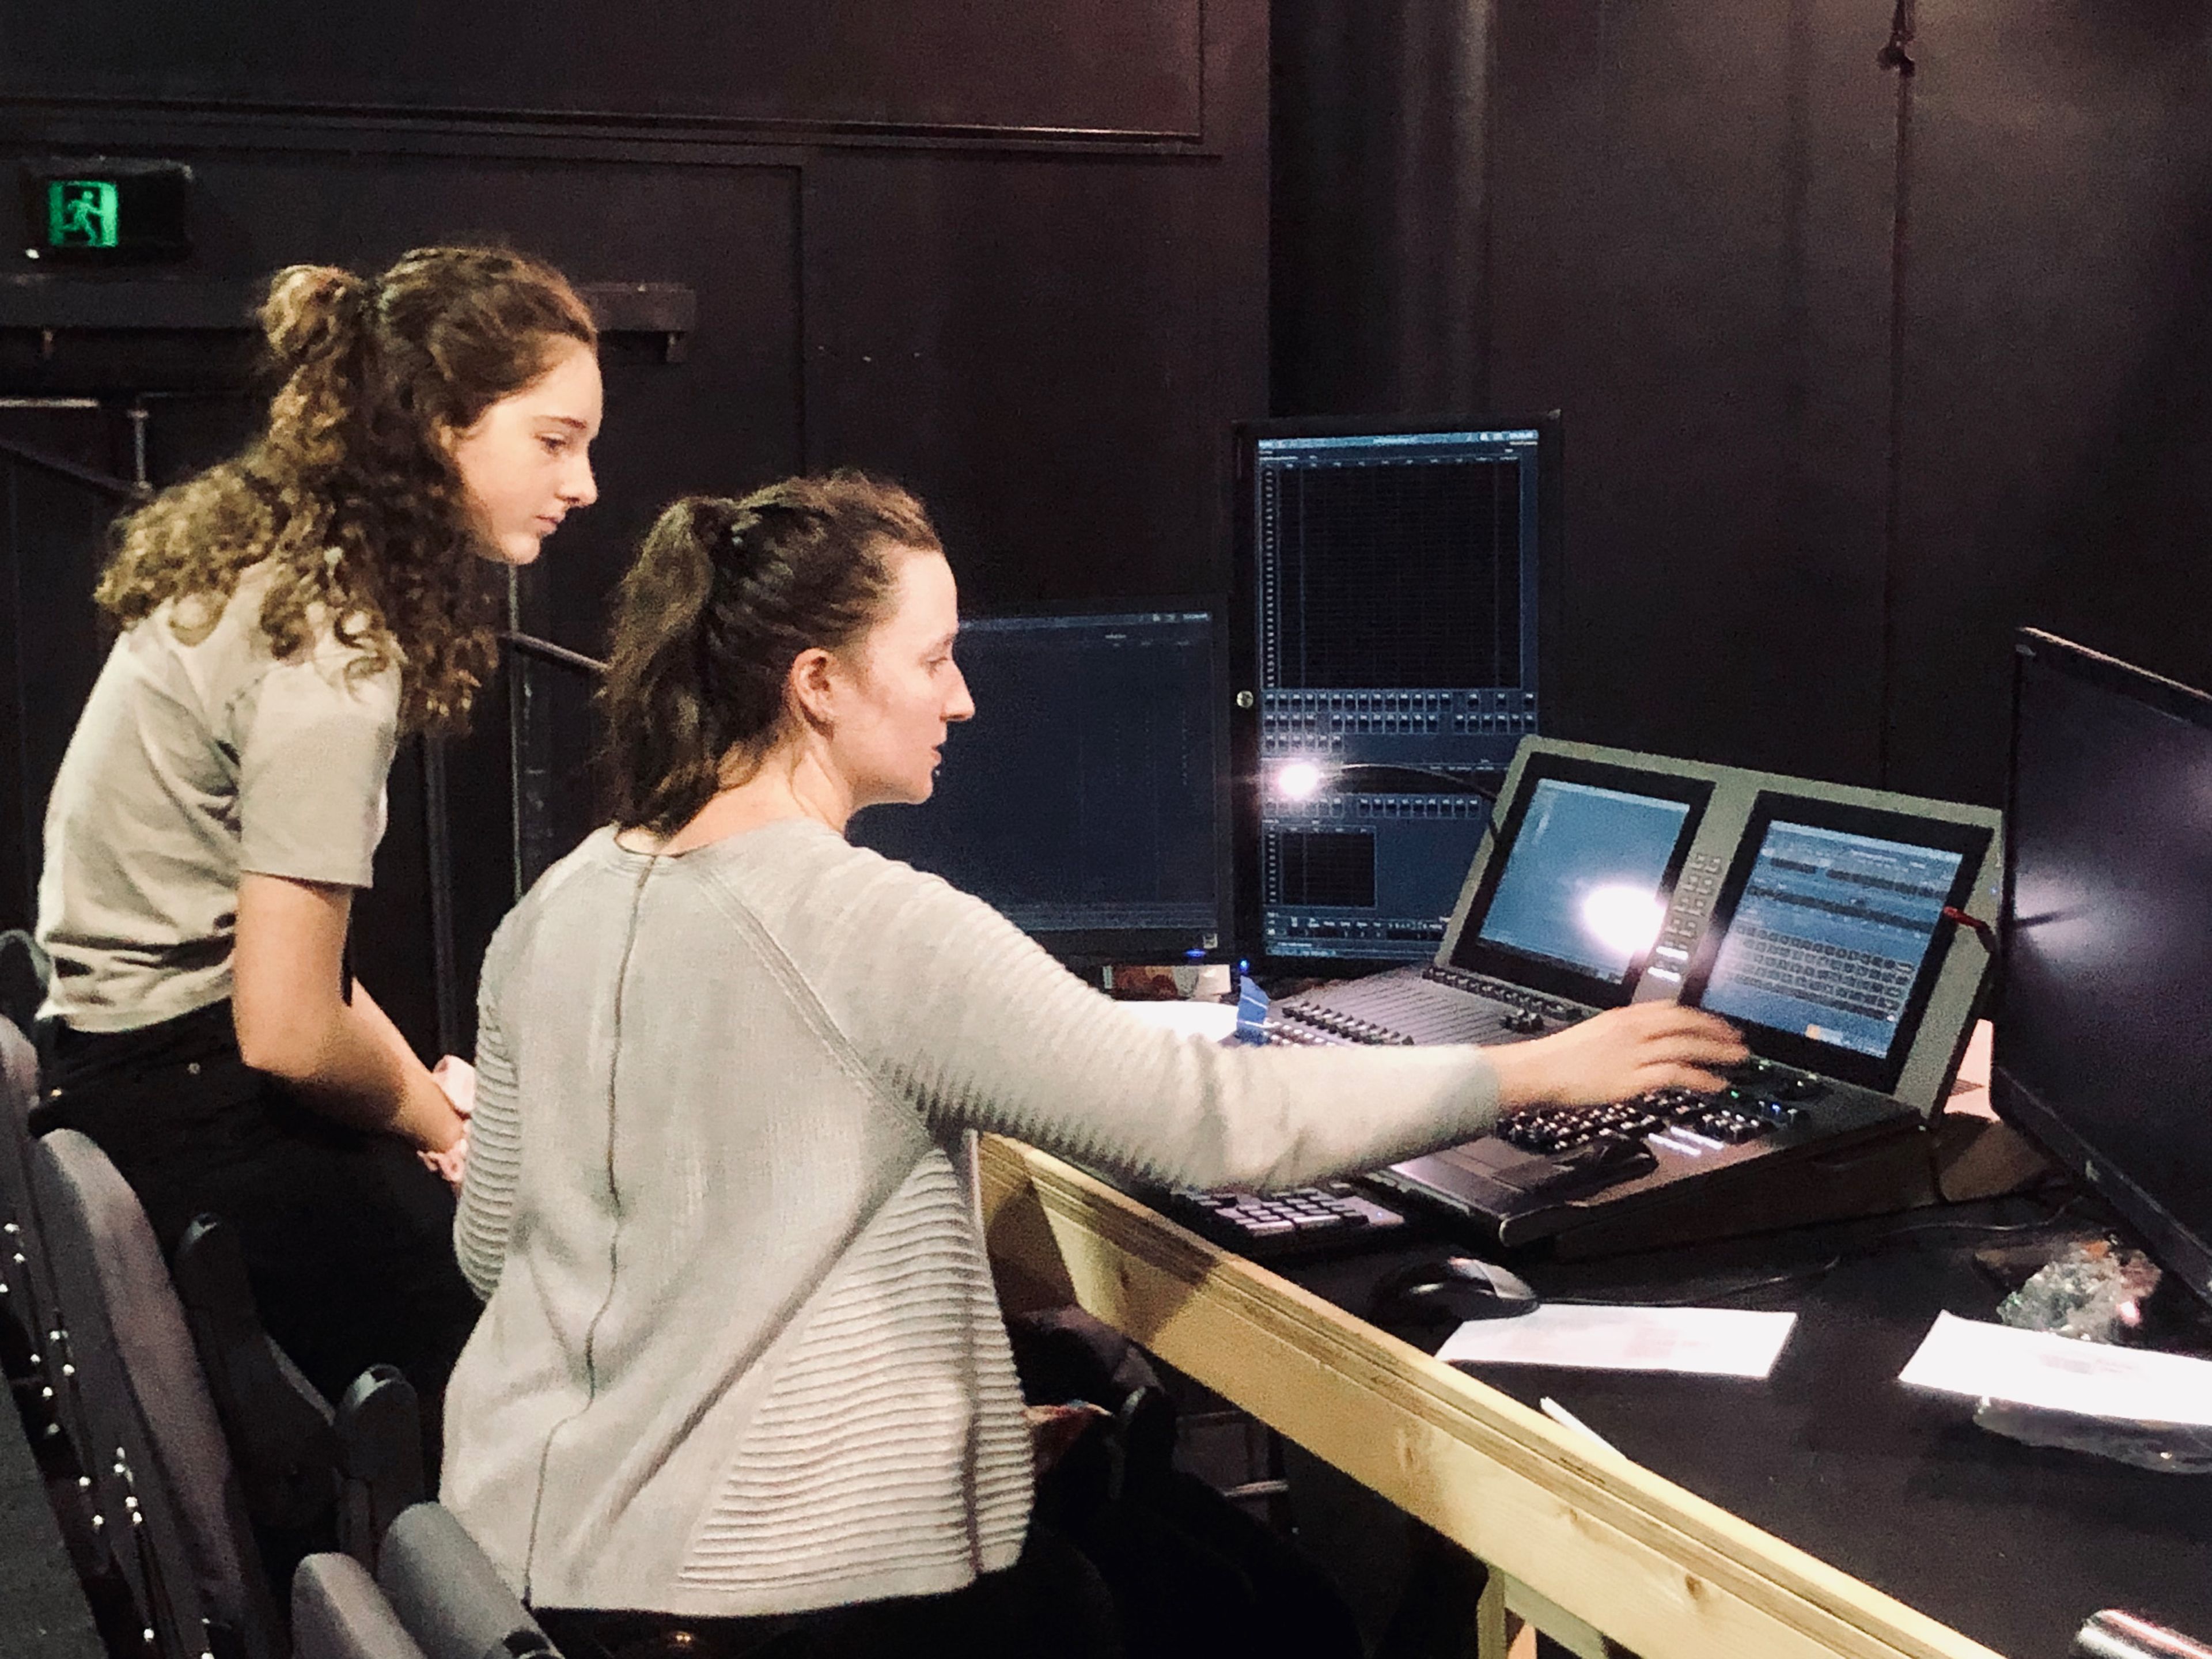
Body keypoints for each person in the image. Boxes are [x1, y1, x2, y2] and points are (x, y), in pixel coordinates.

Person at [442, 474, 1743, 1658]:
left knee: (1187, 1558)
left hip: (522, 1574)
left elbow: (498, 1250)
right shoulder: (867, 924)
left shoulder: (559, 903)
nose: (964, 698)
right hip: (769, 1598)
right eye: (937, 659)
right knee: (1250, 1616)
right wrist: (1531, 1072)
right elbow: (1213, 1121)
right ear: (819, 684)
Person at [32, 246, 604, 1414]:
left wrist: (434, 1117)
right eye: (554, 440)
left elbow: (303, 985)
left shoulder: (281, 568)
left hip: (133, 1065)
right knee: (524, 1373)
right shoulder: (330, 652)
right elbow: (290, 1030)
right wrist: (425, 1119)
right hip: (185, 1096)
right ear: (441, 423)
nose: (584, 482)